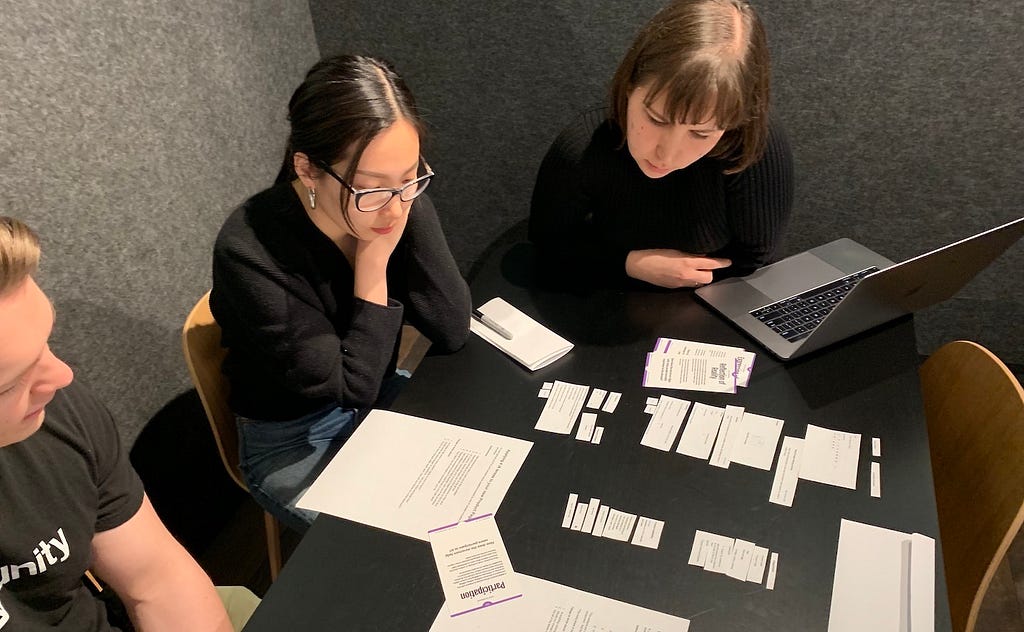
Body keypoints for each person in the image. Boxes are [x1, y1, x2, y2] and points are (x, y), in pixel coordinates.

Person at [210, 55, 471, 534]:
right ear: (308, 169)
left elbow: (452, 326)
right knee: (388, 548)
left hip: (375, 397)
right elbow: (349, 387)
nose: (395, 206)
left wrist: (401, 203)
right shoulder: (250, 252)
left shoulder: (394, 201)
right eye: (372, 187)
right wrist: (372, 266)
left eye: (411, 176)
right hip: (291, 438)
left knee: (473, 503)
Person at [0, 216, 233, 631]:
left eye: (46, 343)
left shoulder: (57, 413)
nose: (61, 376)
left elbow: (157, 580)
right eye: (11, 383)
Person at [529, 0, 793, 289]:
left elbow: (759, 255)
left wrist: (688, 278)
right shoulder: (584, 144)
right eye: (656, 119)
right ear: (630, 85)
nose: (667, 154)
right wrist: (629, 264)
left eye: (701, 133)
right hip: (606, 291)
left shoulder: (752, 142)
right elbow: (547, 239)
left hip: (717, 299)